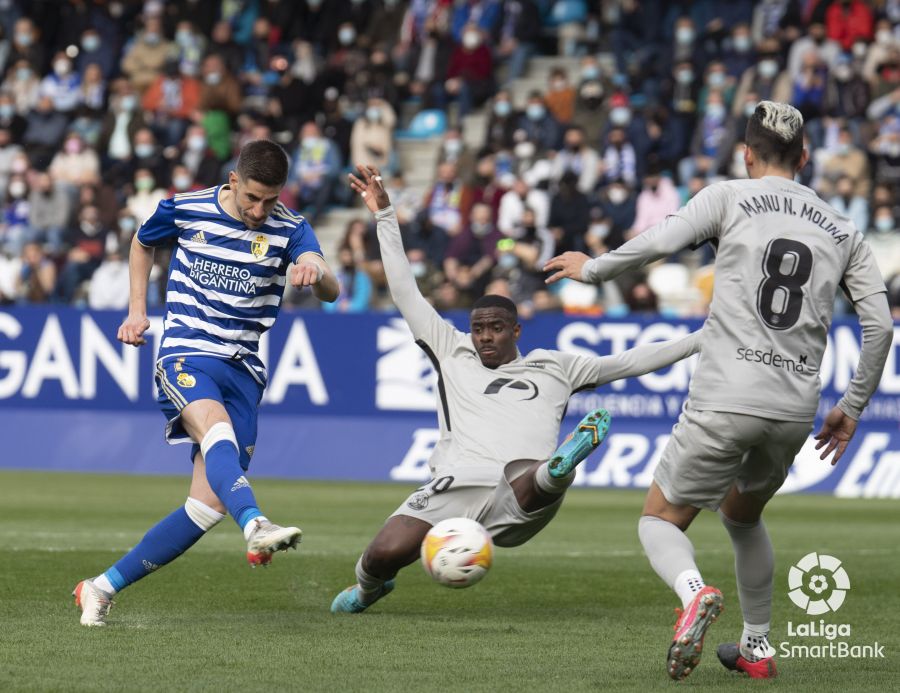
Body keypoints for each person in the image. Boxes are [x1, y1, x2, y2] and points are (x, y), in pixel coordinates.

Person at [544, 101, 893, 680]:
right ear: (805, 156)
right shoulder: (843, 227)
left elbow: (659, 241)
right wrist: (852, 407)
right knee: (743, 516)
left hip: (725, 393)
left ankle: (693, 594)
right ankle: (756, 647)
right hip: (793, 407)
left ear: (747, 154)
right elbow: (880, 327)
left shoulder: (728, 195)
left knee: (658, 520)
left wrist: (595, 270)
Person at [330, 164, 703, 614]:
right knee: (381, 555)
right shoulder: (451, 350)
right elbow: (406, 291)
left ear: (517, 331)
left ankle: (562, 465)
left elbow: (626, 362)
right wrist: (386, 217)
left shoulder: (554, 367)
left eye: (495, 328)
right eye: (478, 328)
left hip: (519, 495)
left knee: (532, 473)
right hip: (454, 483)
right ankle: (369, 590)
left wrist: (698, 339)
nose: (484, 336)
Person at [73, 140, 340, 626]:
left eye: (271, 201)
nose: (260, 210)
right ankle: (257, 522)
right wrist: (137, 310)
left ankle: (100, 587)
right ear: (233, 181)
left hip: (243, 370)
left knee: (206, 505)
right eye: (253, 198)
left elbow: (330, 288)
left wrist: (314, 270)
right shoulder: (187, 208)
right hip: (187, 351)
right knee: (215, 431)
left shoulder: (291, 229)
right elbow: (141, 241)